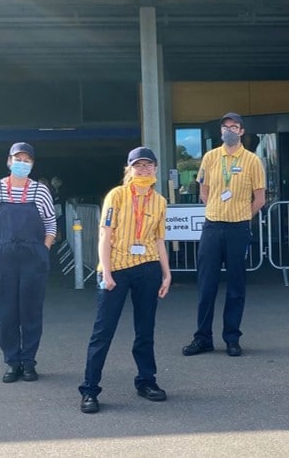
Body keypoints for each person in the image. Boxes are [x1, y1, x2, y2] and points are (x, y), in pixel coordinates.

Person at [79, 147, 171, 414]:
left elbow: (159, 240)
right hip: (116, 270)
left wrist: (166, 272)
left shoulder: (160, 201)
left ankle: (146, 381)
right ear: (128, 169)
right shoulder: (116, 196)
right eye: (138, 166)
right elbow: (105, 236)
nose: (143, 170)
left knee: (145, 330)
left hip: (148, 268)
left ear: (155, 169)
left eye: (148, 165)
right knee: (103, 331)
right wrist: (106, 273)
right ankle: (89, 389)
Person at [182, 112, 266, 358]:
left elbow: (259, 199)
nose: (229, 130)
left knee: (236, 285)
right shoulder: (209, 158)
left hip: (237, 228)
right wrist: (216, 208)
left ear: (241, 132)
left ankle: (232, 337)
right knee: (206, 284)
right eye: (225, 127)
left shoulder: (252, 161)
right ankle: (202, 337)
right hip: (212, 226)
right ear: (221, 132)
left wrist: (241, 214)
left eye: (234, 126)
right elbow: (203, 191)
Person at [0, 142, 56, 383]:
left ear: (32, 164)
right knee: (5, 313)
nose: (22, 163)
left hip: (33, 258)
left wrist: (44, 250)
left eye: (27, 160)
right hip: (2, 258)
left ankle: (29, 361)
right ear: (9, 161)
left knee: (31, 312)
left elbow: (51, 225)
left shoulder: (40, 191)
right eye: (17, 159)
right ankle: (12, 361)